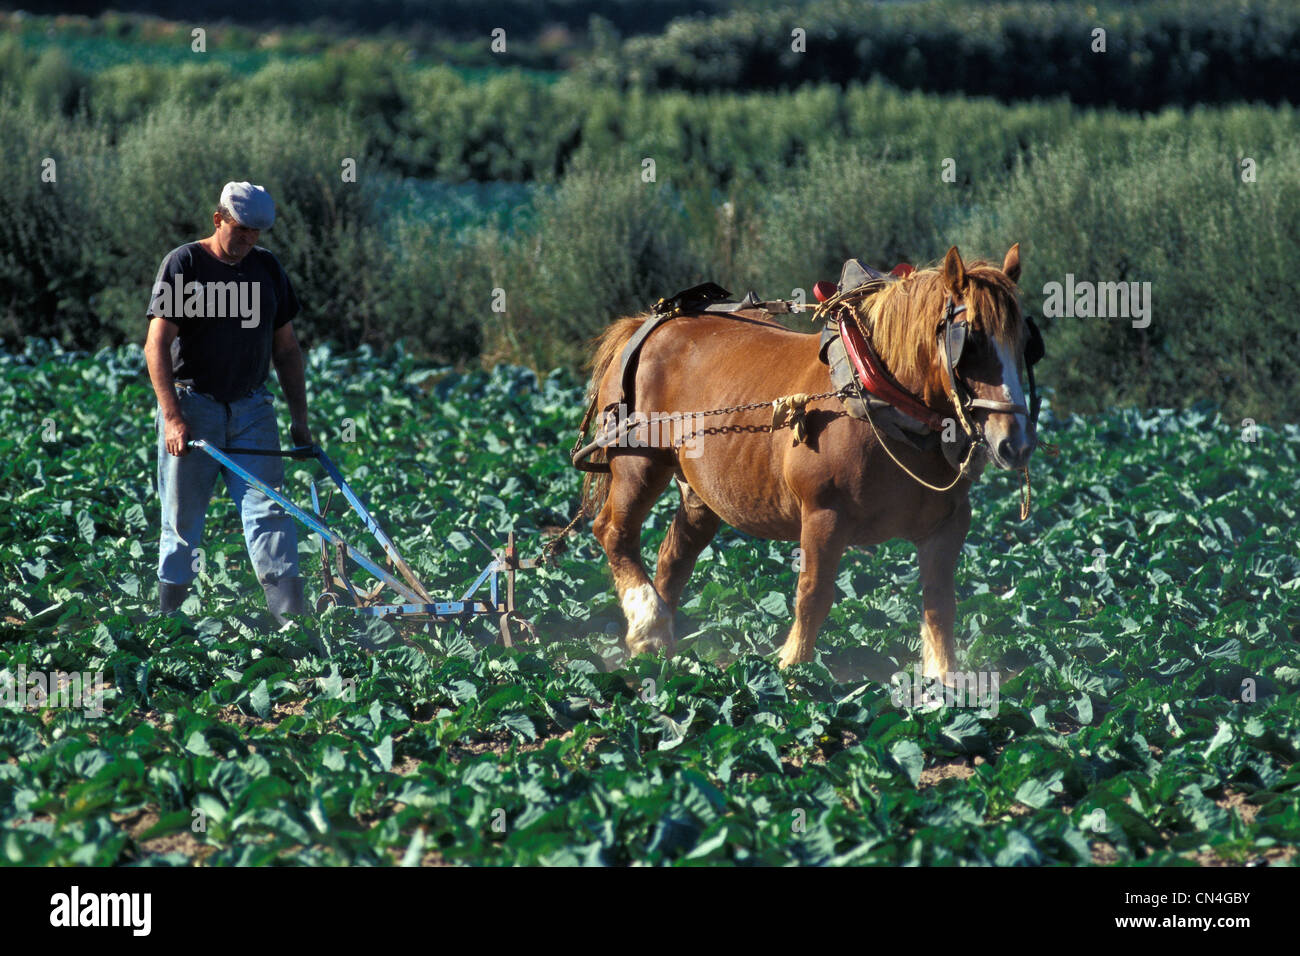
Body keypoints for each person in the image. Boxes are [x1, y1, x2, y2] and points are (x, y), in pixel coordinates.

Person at [143, 181, 312, 625]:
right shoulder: (185, 264)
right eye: (240, 231)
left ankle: (290, 625)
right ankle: (168, 625)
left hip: (253, 409)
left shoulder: (267, 269)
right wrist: (172, 417)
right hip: (193, 405)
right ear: (218, 219)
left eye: (256, 234)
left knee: (270, 511)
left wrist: (300, 421)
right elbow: (156, 345)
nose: (247, 242)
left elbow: (288, 349)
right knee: (182, 521)